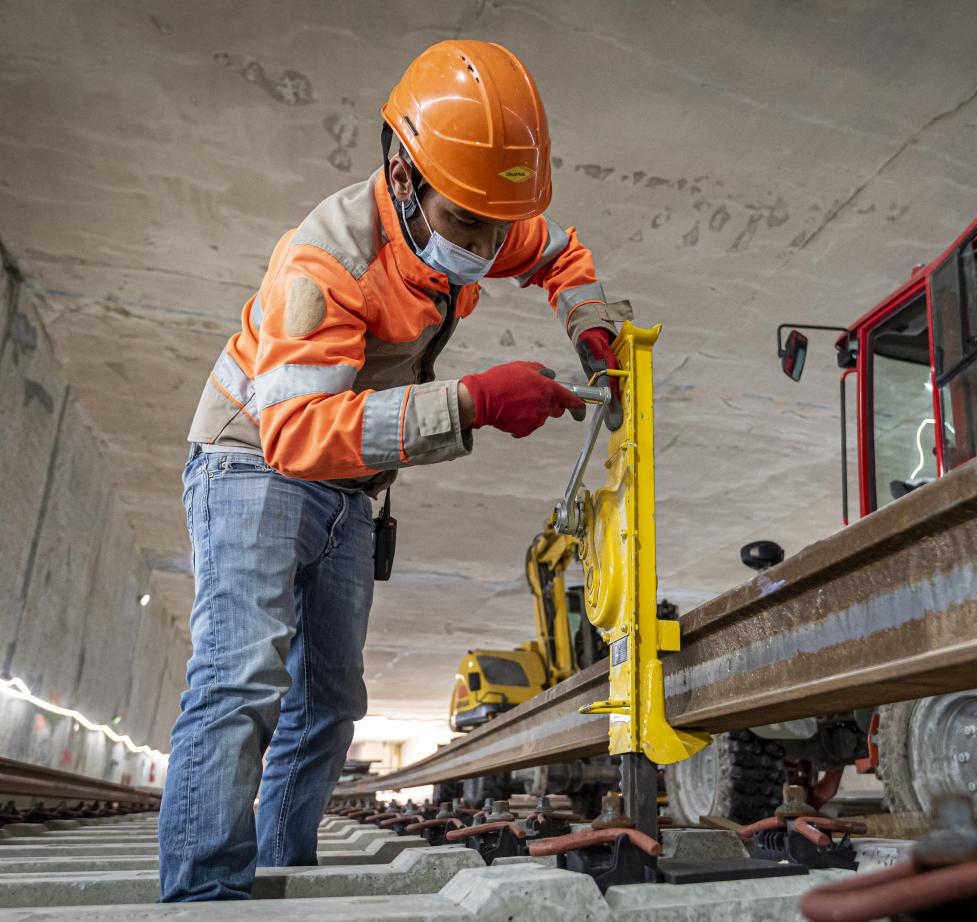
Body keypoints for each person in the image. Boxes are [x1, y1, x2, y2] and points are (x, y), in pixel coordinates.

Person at [158, 39, 631, 901]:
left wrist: (590, 329)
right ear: (406, 178)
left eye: (497, 226)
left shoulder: (473, 207)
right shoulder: (326, 258)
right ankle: (204, 900)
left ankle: (277, 871)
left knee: (331, 703)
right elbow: (295, 433)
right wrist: (474, 402)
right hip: (251, 466)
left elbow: (559, 253)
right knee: (241, 679)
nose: (487, 250)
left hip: (349, 487)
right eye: (468, 226)